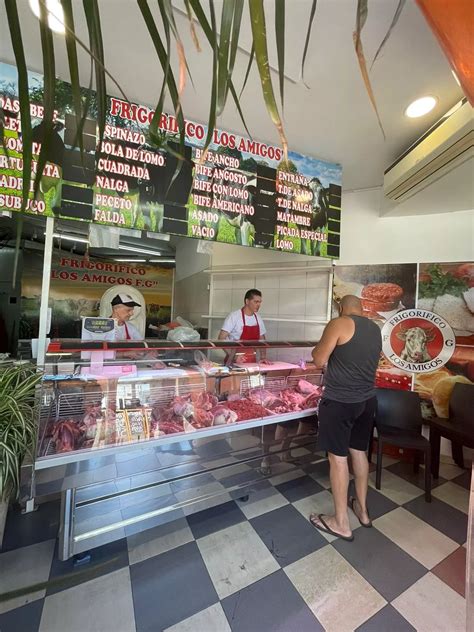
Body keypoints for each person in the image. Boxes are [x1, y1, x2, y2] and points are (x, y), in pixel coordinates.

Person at [309, 295, 382, 541]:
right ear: (361, 308)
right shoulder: (375, 328)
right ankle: (362, 511)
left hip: (341, 402)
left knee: (338, 459)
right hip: (367, 400)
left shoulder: (339, 323)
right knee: (359, 452)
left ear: (341, 307)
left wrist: (316, 349)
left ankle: (341, 523)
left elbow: (318, 358)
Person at [218, 289, 270, 363]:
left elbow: (262, 340)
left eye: (260, 302)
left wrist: (263, 357)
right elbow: (221, 339)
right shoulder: (234, 316)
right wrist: (235, 356)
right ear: (247, 301)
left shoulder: (258, 318)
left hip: (252, 362)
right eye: (256, 302)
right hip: (234, 362)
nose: (258, 305)